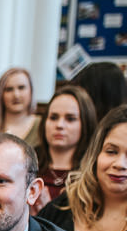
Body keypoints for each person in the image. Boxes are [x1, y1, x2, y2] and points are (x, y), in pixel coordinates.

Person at [31, 85, 97, 213]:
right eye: (53, 118)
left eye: (70, 119)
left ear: (85, 123)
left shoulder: (94, 171)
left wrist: (48, 213)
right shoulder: (27, 161)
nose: (59, 125)